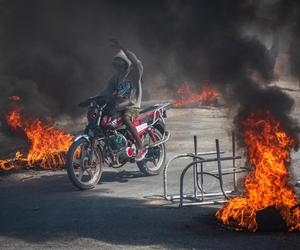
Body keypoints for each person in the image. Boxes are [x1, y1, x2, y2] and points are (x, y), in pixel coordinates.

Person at [100, 39, 147, 161]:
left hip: (132, 106)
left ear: (126, 63)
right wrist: (93, 100)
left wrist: (124, 48)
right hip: (119, 106)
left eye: (120, 65)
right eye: (116, 66)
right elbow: (106, 91)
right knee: (103, 119)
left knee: (126, 118)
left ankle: (141, 147)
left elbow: (135, 62)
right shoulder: (116, 77)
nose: (118, 68)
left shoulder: (135, 73)